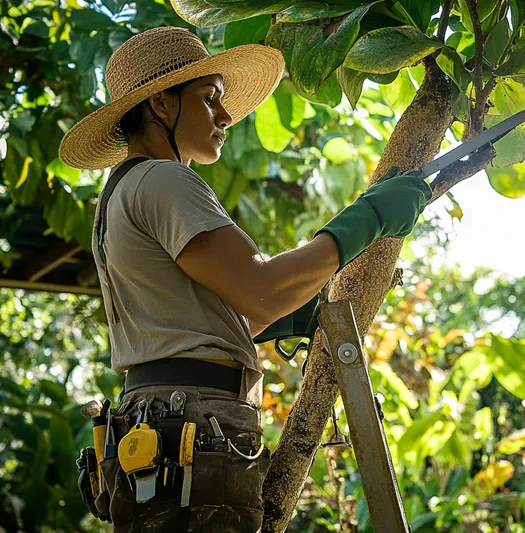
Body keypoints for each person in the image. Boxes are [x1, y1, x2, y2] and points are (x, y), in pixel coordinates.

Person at [59, 26, 431, 532]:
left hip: (161, 418)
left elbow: (235, 309)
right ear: (162, 105)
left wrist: (291, 307)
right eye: (210, 98)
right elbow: (262, 288)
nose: (226, 116)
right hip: (193, 420)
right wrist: (365, 219)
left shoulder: (121, 191)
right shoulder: (164, 179)